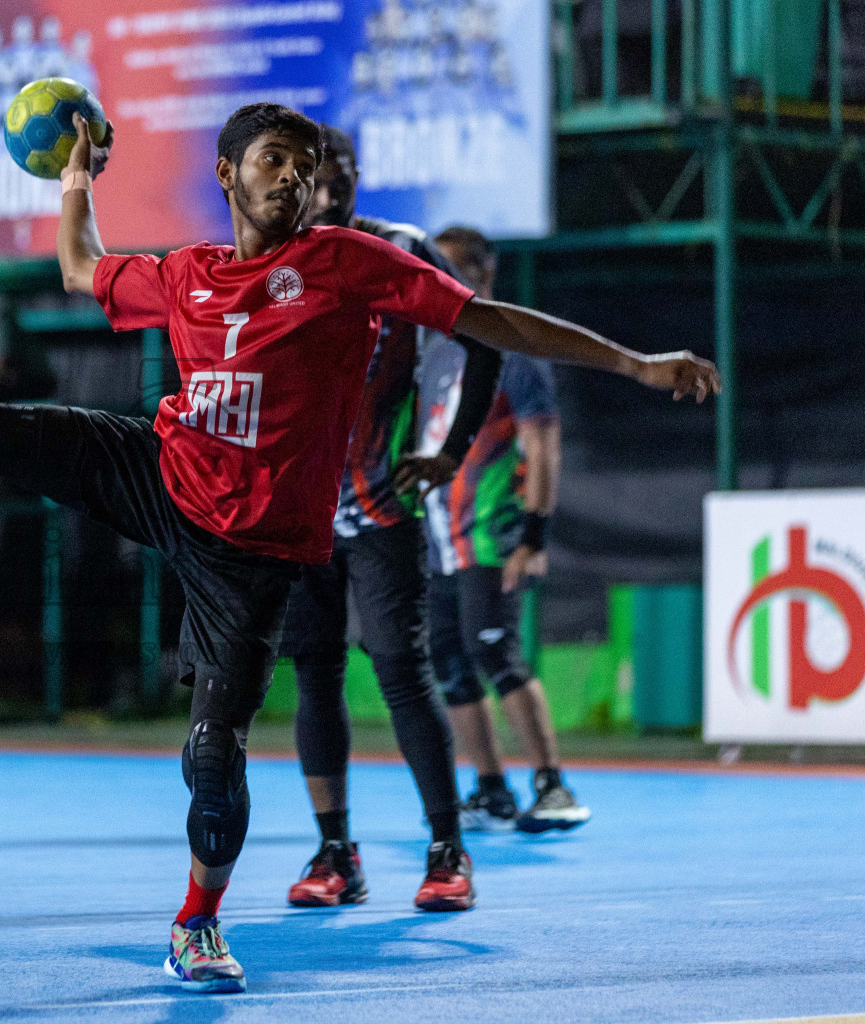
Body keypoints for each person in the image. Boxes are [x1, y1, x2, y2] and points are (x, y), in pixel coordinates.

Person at [0, 103, 719, 993]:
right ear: (228, 175)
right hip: (164, 473)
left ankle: (198, 919)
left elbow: (488, 320)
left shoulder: (347, 264)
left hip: (253, 551)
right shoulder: (188, 274)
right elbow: (78, 267)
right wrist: (76, 178)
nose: (293, 174)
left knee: (213, 754)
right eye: (274, 158)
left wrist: (636, 361)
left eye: (304, 161)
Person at [278, 125, 500, 912]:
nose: (322, 184)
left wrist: (450, 451)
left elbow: (485, 339)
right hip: (294, 516)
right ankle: (336, 853)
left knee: (403, 675)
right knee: (315, 677)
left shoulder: (399, 249)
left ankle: (448, 851)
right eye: (307, 171)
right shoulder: (271, 258)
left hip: (378, 507)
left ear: (358, 177)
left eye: (335, 171)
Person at [425, 226, 590, 834]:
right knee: (448, 659)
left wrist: (534, 537)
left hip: (494, 538)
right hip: (441, 540)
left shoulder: (514, 350)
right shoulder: (435, 354)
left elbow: (542, 443)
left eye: (450, 268)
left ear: (484, 275)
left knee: (495, 650)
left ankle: (553, 785)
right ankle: (490, 789)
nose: (437, 278)